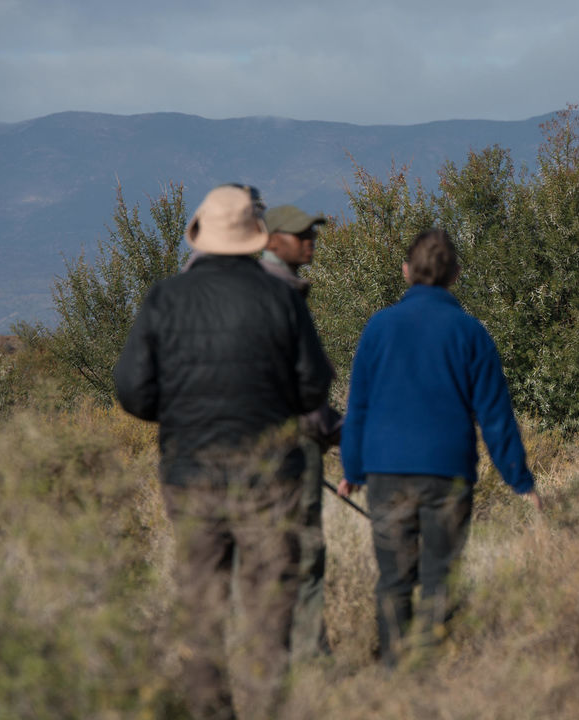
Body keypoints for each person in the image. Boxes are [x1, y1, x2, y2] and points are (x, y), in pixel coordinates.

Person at [114, 184, 333, 720]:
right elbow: (313, 389)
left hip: (192, 475)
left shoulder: (165, 298)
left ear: (202, 235)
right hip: (268, 477)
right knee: (268, 608)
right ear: (255, 236)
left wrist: (184, 415)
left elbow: (133, 391)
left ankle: (210, 712)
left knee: (201, 608)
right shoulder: (281, 297)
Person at [337, 228, 541, 666]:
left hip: (386, 473)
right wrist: (519, 480)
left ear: (406, 271)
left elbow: (359, 408)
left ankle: (395, 676)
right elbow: (495, 416)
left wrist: (352, 471)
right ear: (456, 275)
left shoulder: (378, 327)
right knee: (439, 579)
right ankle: (427, 677)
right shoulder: (470, 333)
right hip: (447, 473)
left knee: (393, 579)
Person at [261, 204, 343, 665]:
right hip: (289, 450)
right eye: (299, 233)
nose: (310, 238)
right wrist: (338, 432)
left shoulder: (263, 289)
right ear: (272, 240)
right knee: (304, 554)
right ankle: (312, 663)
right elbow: (306, 388)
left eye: (312, 230)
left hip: (249, 448)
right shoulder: (281, 295)